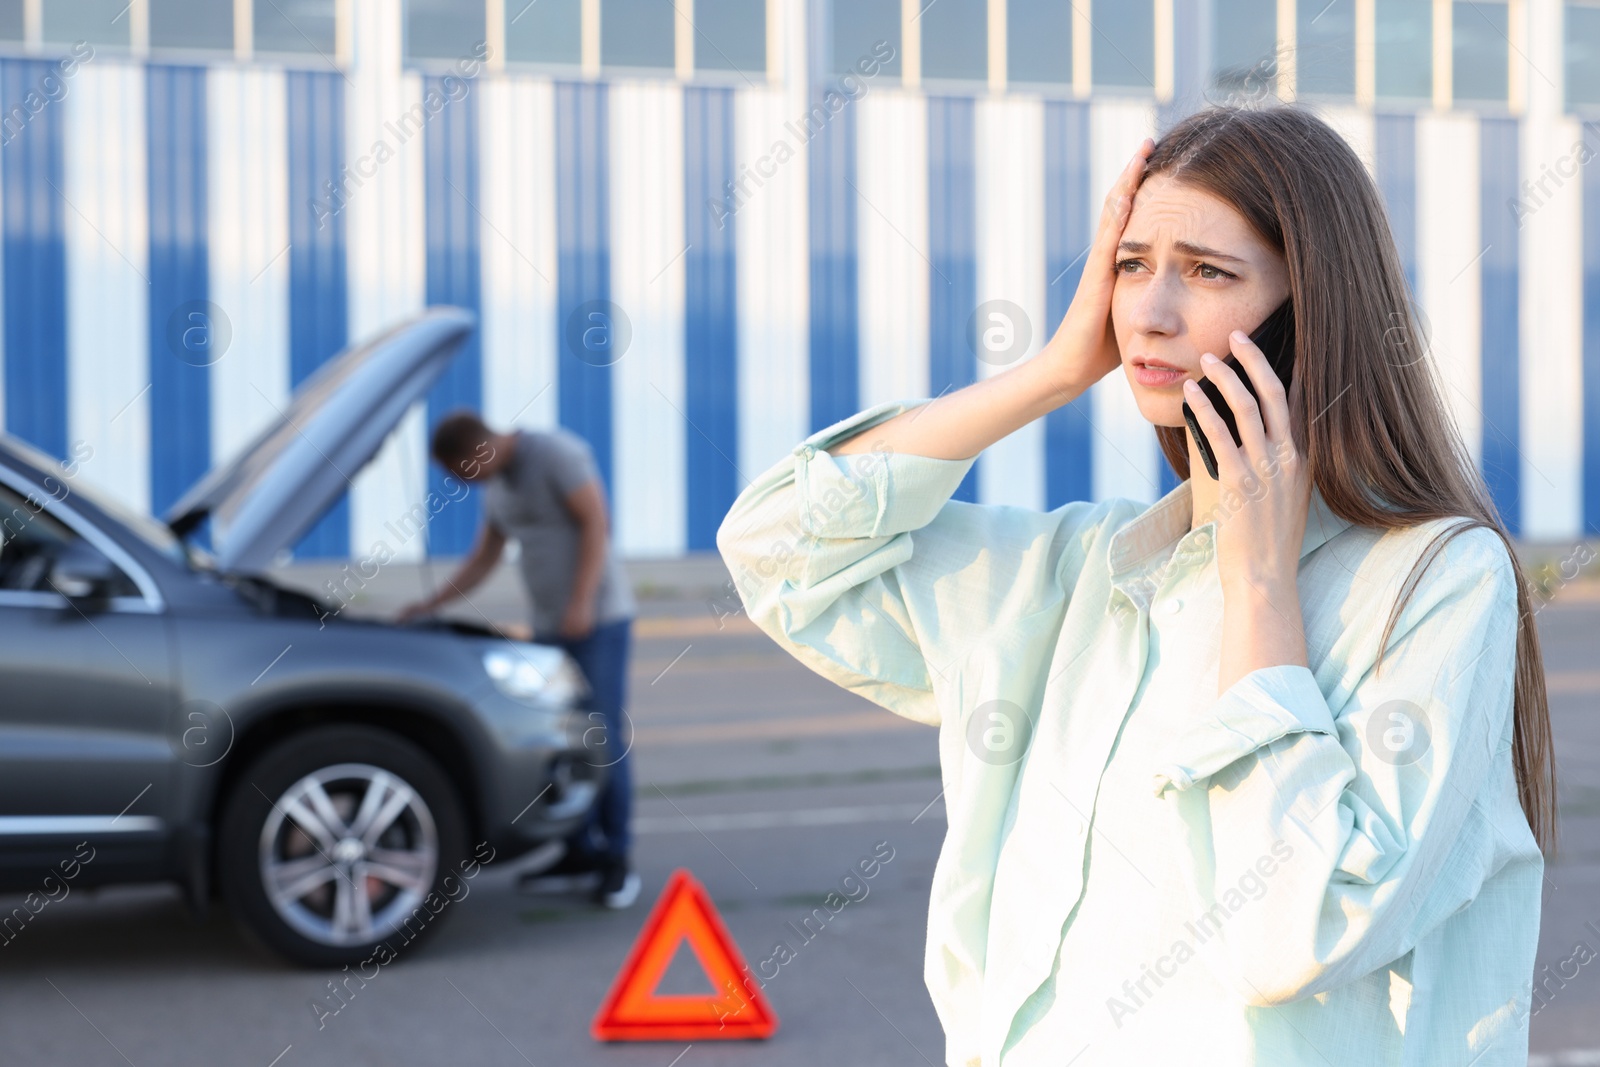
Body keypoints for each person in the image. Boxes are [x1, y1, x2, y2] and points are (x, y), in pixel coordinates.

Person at [716, 105, 1554, 1065]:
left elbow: (1295, 930)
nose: (1150, 312)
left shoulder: (1435, 581)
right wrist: (1052, 371)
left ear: (1312, 311)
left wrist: (1260, 589)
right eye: (1129, 265)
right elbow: (778, 546)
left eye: (1206, 271)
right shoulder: (1071, 573)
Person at [399, 410, 641, 910]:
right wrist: (431, 604)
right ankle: (577, 852)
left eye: (459, 473)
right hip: (551, 628)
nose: (461, 484)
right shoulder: (499, 488)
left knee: (602, 735)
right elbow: (483, 557)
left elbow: (597, 521)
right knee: (563, 740)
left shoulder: (555, 453)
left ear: (475, 452)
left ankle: (617, 860)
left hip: (597, 622)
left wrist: (581, 602)